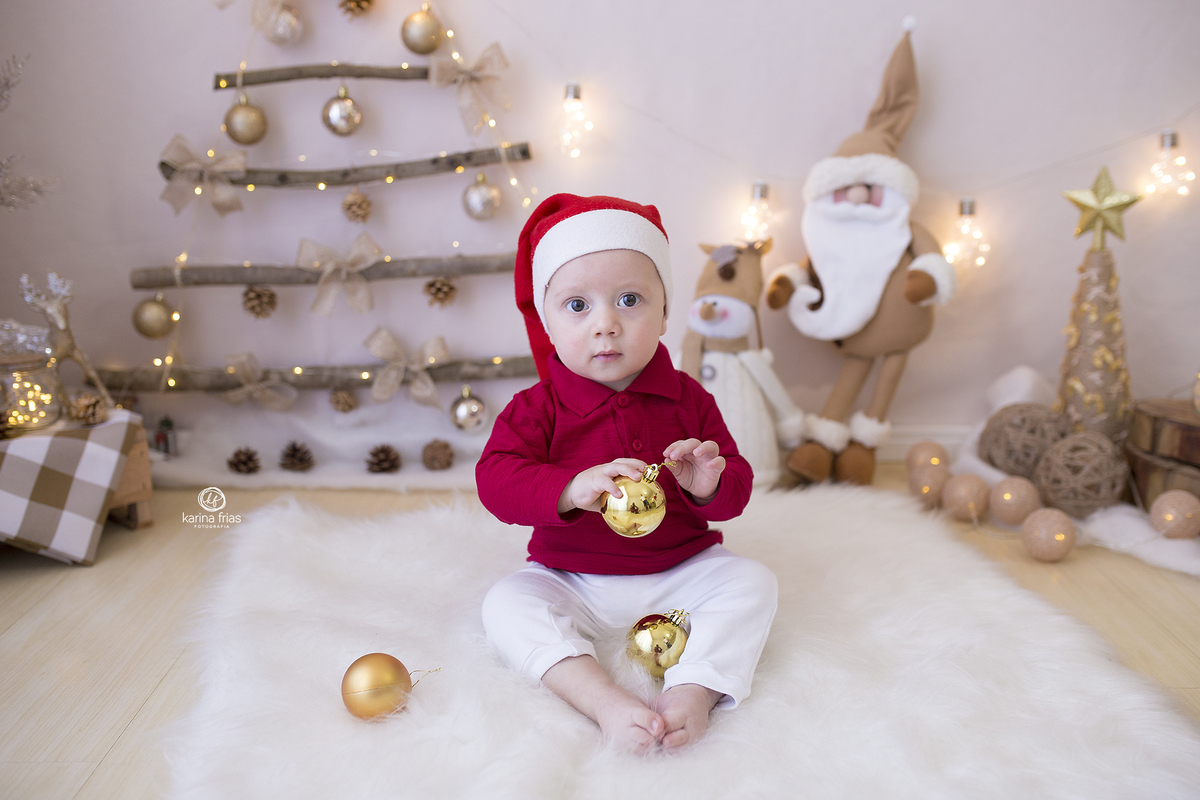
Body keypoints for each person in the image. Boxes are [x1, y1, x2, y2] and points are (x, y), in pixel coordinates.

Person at [476, 193, 778, 752]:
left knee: (753, 582)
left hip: (682, 569)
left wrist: (708, 483)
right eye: (577, 306)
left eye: (630, 300)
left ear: (665, 312)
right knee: (506, 604)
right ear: (546, 324)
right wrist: (567, 488)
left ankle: (695, 690)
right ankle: (600, 699)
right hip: (572, 577)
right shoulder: (536, 407)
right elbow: (496, 480)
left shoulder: (689, 397)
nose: (606, 325)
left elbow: (736, 482)